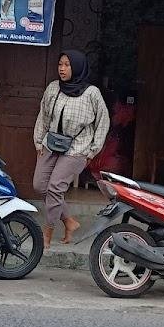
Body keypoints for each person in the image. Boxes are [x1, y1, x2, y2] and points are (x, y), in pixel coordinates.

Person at [33, 50, 110, 249]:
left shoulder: (92, 93)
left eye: (67, 65)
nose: (62, 68)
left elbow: (103, 121)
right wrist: (38, 141)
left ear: (77, 67)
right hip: (51, 142)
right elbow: (43, 115)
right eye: (60, 64)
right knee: (40, 185)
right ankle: (68, 220)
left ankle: (47, 232)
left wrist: (93, 150)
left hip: (77, 147)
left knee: (55, 187)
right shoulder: (53, 88)